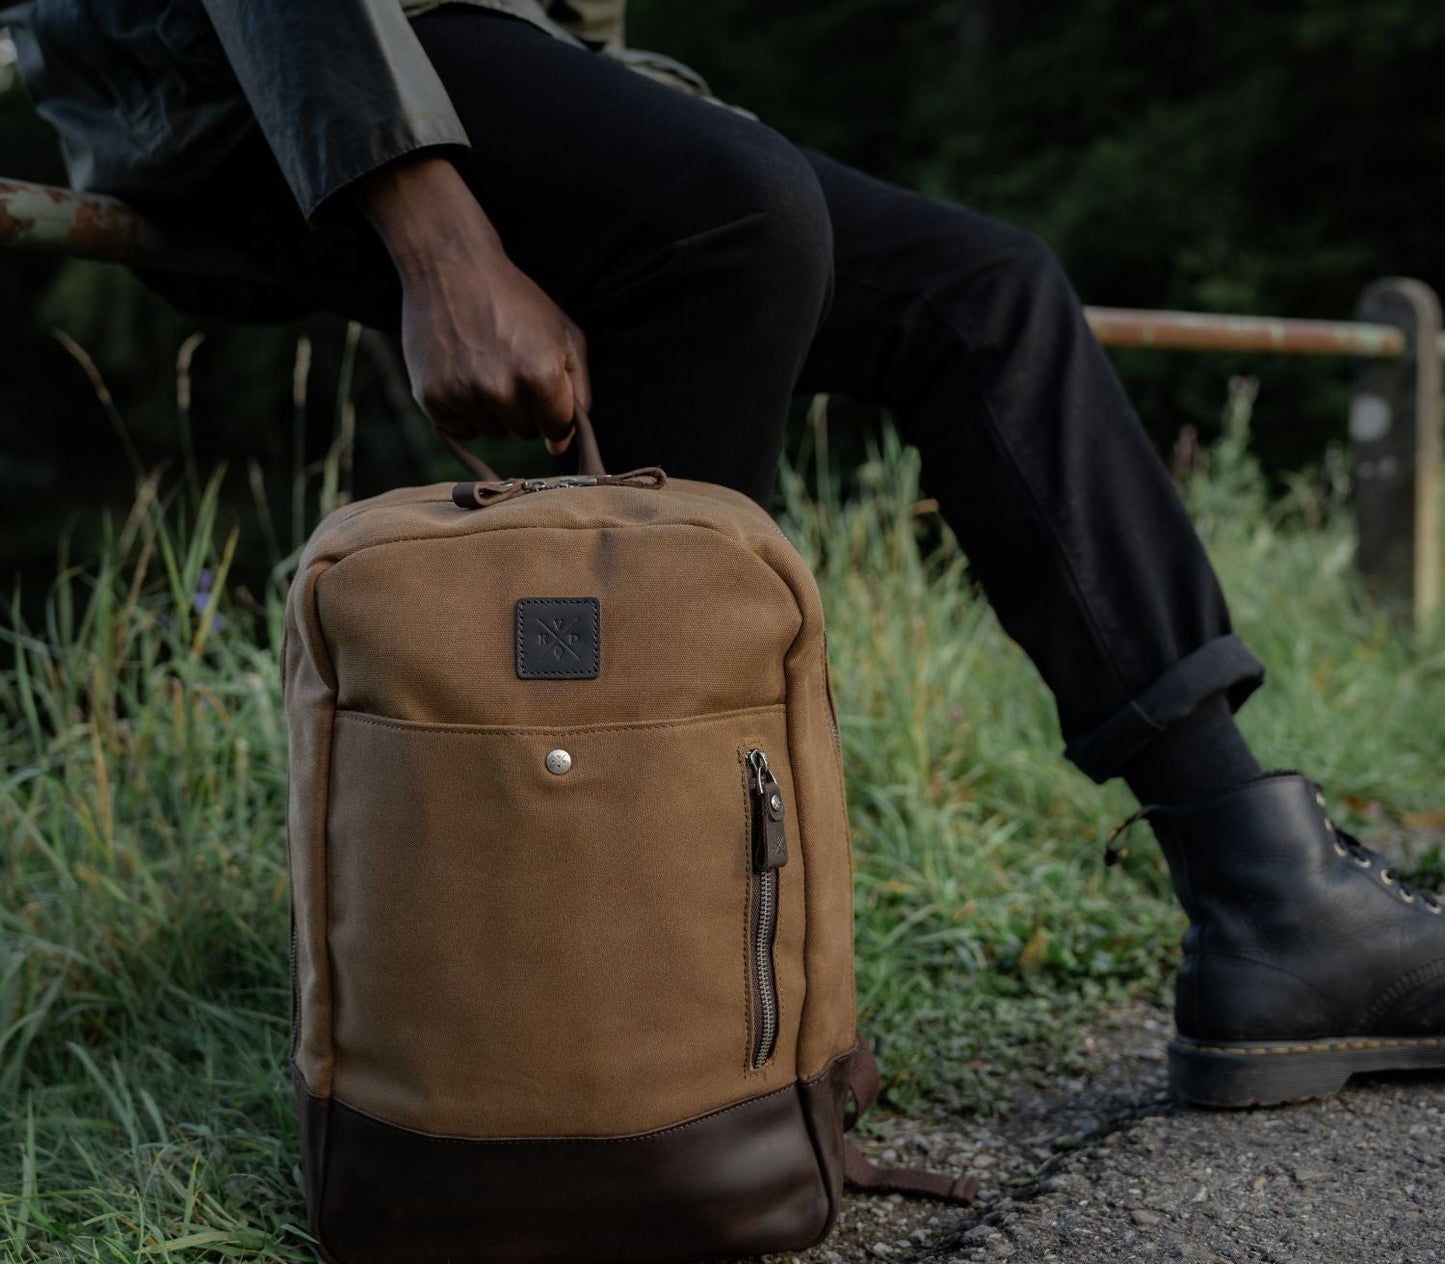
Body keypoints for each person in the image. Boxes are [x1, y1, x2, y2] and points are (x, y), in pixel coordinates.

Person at [5, 0, 1443, 1108]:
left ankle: (1260, 890)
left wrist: (647, 119)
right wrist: (438, 242)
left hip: (455, 47)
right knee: (731, 214)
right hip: (240, 66)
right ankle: (676, 1003)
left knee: (978, 289)